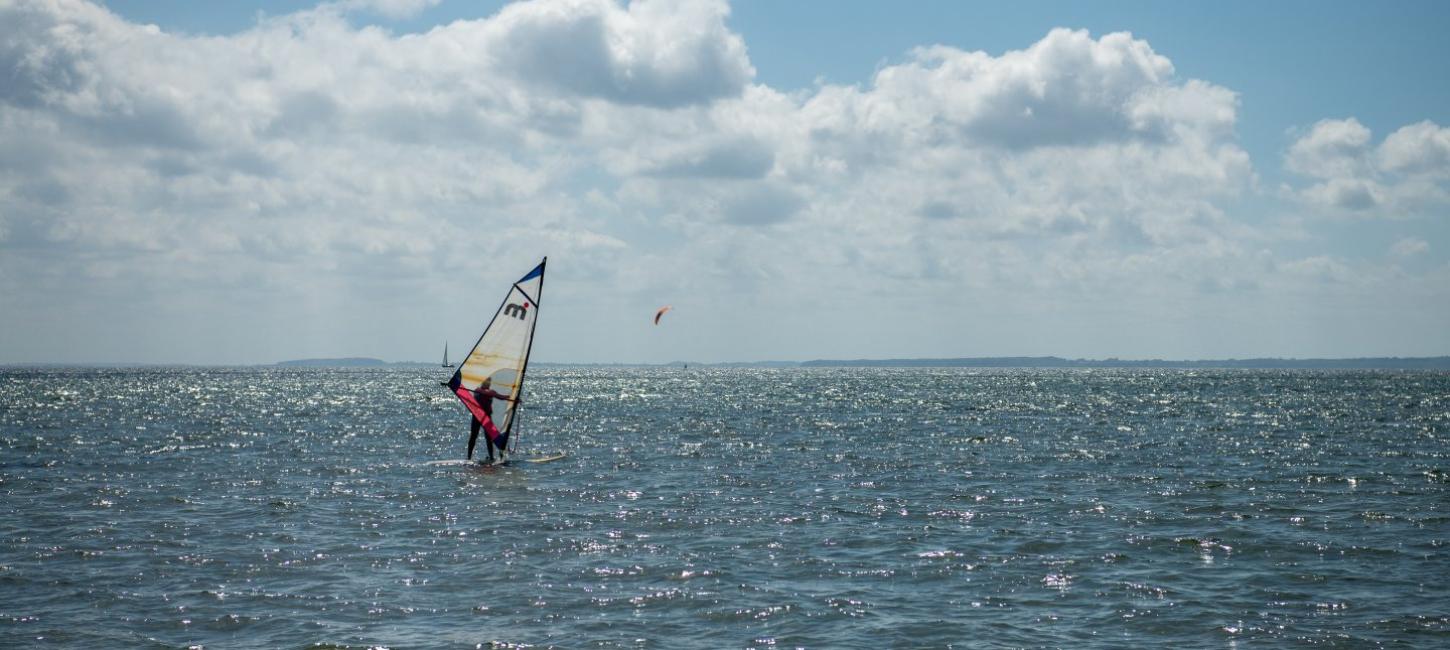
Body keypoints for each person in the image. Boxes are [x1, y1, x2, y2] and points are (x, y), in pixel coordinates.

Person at [467, 378, 518, 465]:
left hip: (487, 417)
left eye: (489, 383)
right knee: (473, 436)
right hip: (477, 416)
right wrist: (493, 393)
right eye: (486, 383)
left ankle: (491, 457)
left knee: (489, 438)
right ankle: (468, 457)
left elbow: (501, 397)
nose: (488, 384)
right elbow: (486, 393)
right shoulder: (477, 390)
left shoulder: (490, 392)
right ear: (483, 383)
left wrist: (513, 399)